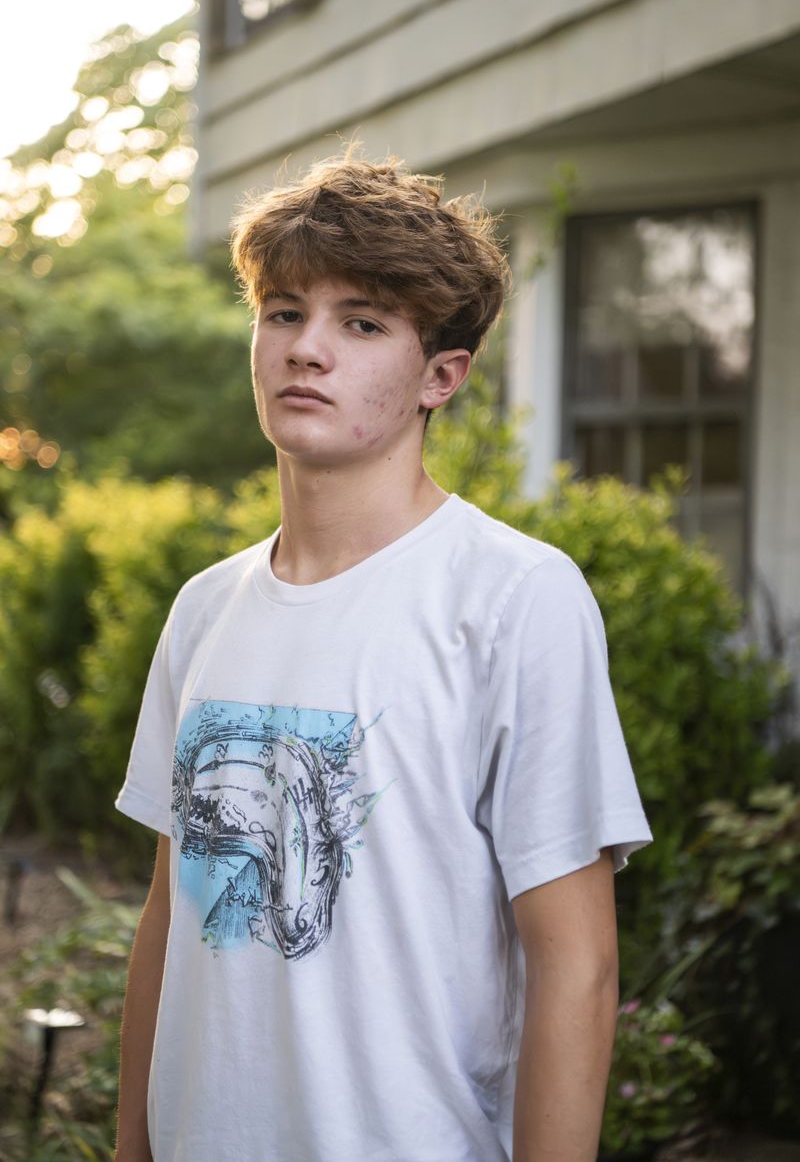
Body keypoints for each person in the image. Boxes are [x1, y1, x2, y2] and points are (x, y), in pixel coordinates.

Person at [113, 150, 653, 1162]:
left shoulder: (513, 598)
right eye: (282, 312)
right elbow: (166, 921)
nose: (306, 349)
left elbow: (575, 966)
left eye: (360, 323)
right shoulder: (202, 609)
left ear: (438, 376)